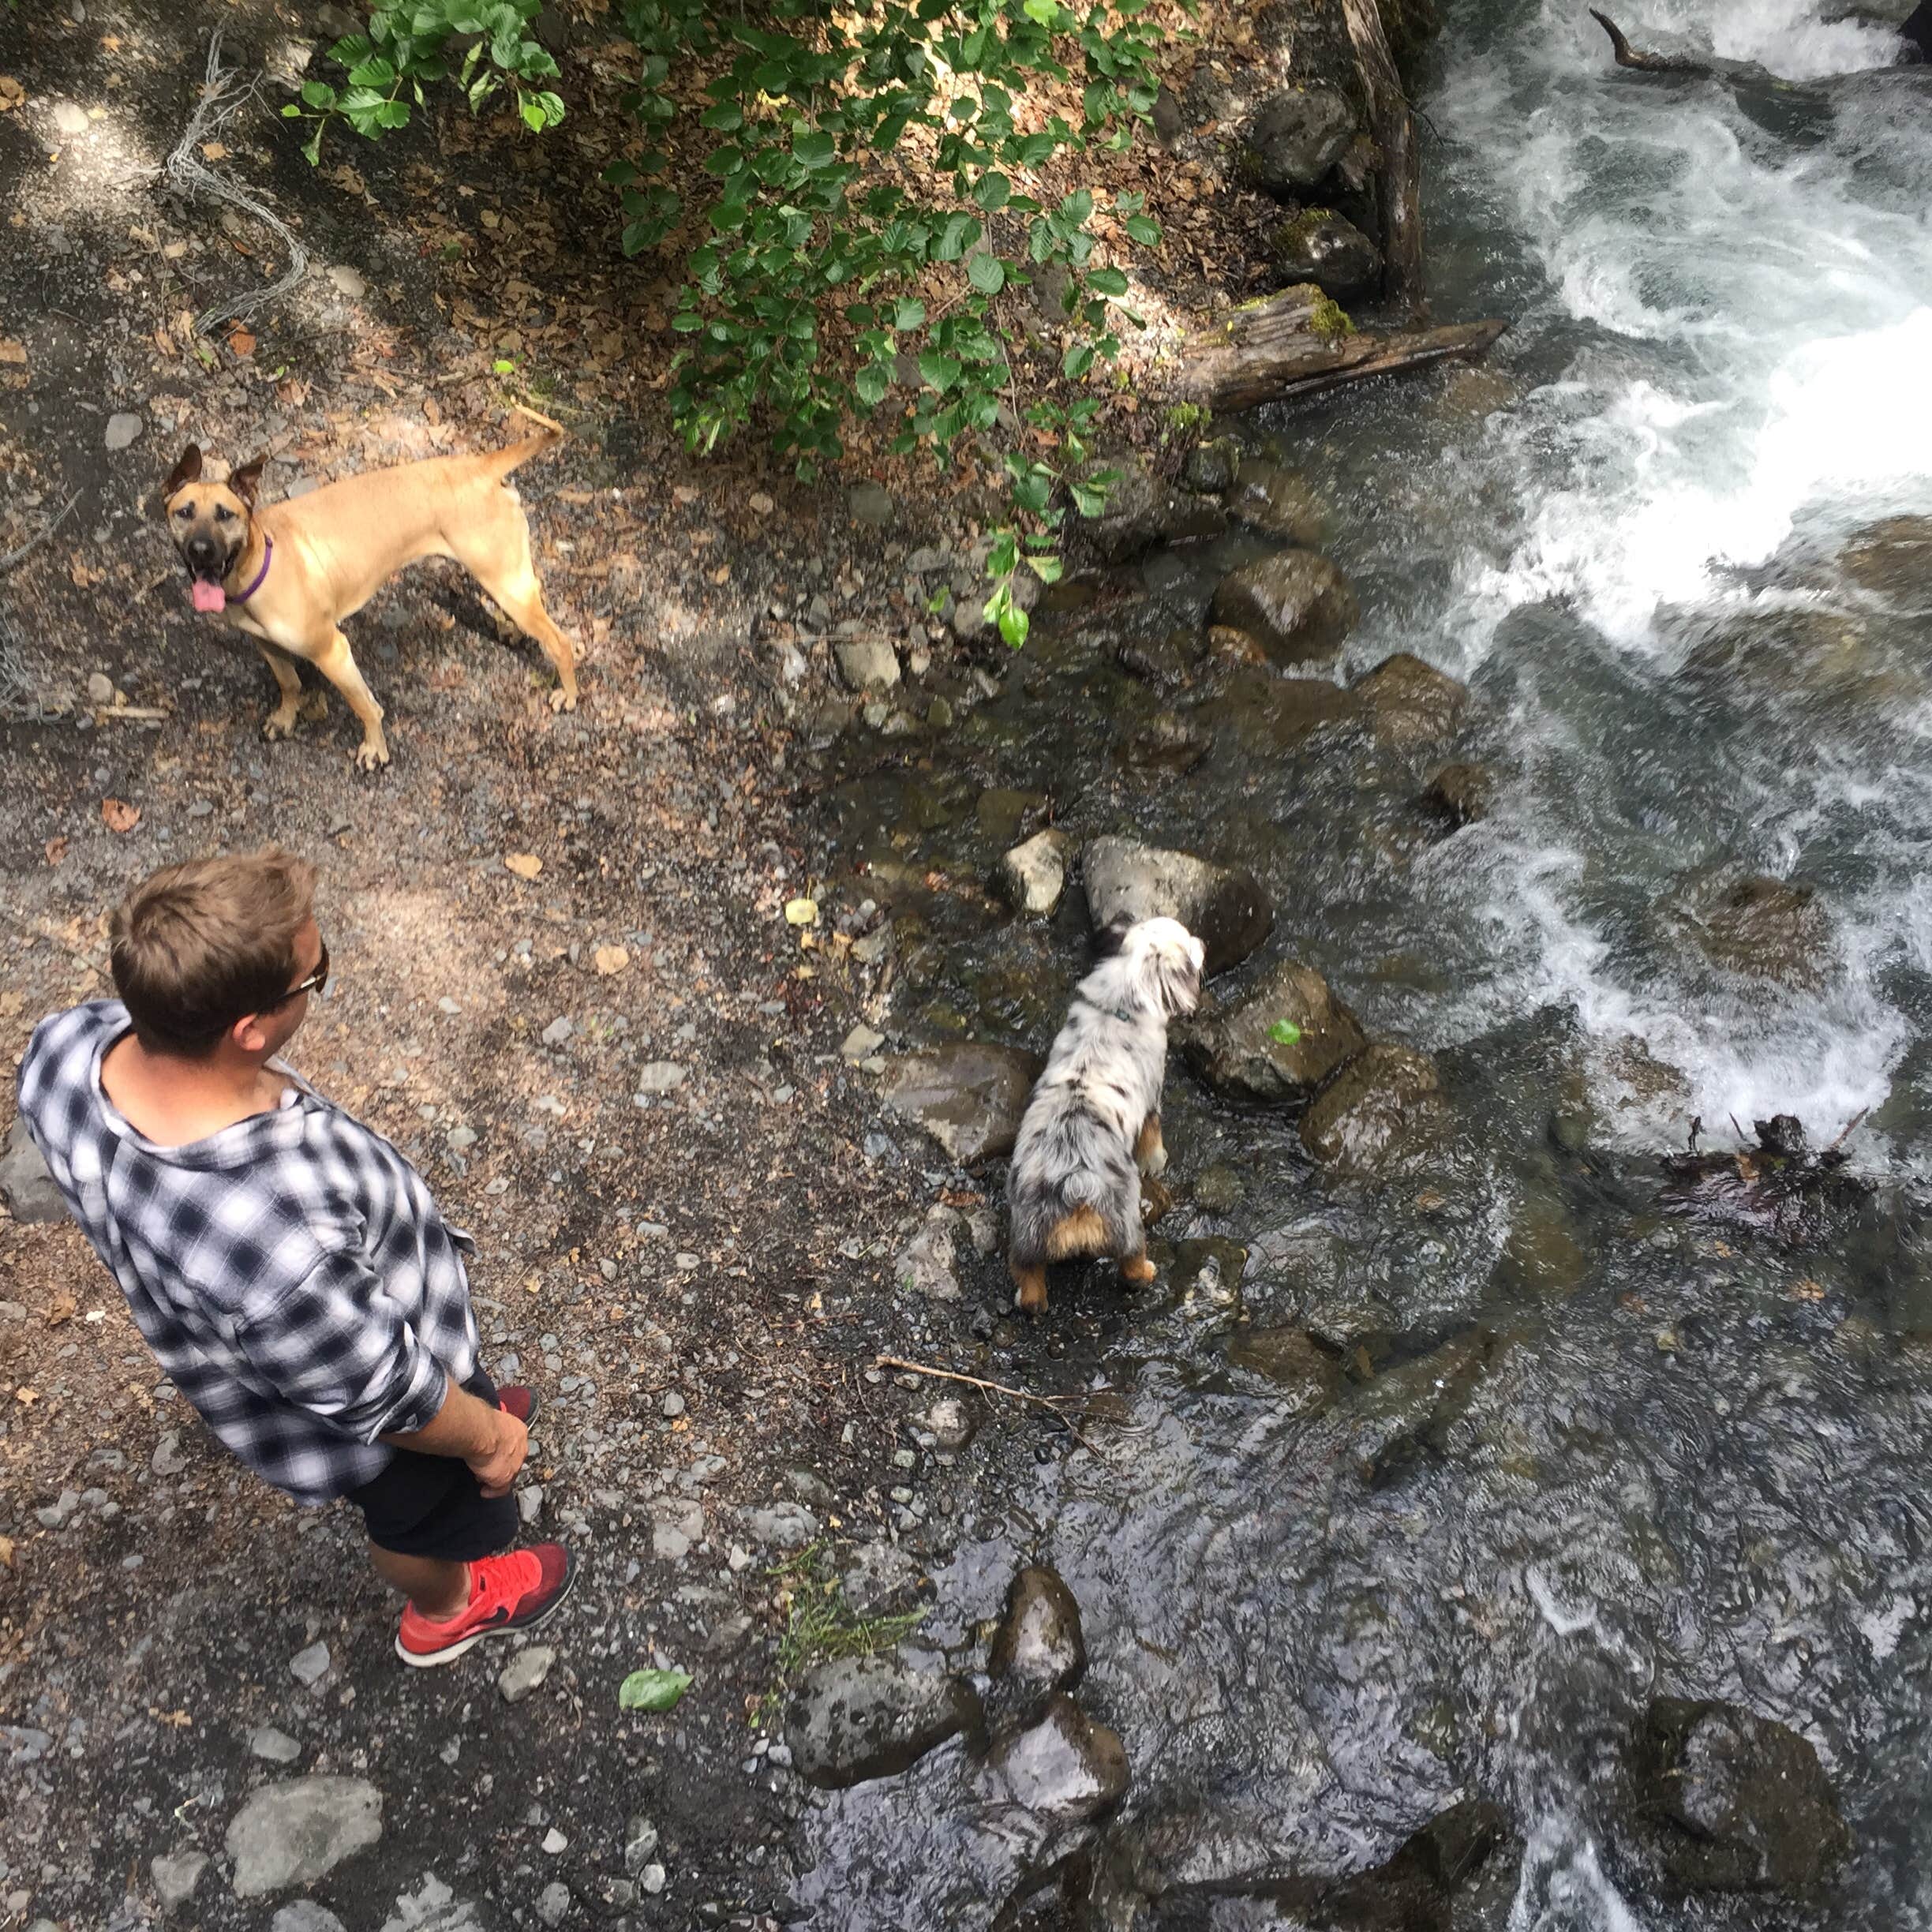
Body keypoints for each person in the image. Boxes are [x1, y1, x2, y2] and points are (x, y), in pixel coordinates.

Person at [15, 848, 572, 1666]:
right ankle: (447, 1609)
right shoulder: (279, 1247)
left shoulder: (63, 1050)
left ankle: (468, 1410)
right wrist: (482, 1438)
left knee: (446, 1417)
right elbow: (389, 1396)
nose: (320, 983)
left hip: (279, 1353)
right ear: (249, 1029)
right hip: (377, 1415)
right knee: (421, 1513)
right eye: (317, 976)